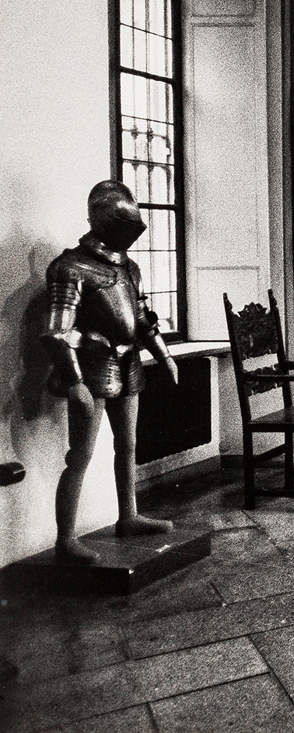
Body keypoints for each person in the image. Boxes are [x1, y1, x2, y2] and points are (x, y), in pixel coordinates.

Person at [42, 180, 178, 564]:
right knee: (80, 455)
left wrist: (164, 355)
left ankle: (129, 516)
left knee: (128, 445)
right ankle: (65, 539)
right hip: (91, 363)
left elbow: (142, 318)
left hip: (128, 361)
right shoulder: (70, 267)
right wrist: (75, 382)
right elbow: (57, 331)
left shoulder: (129, 267)